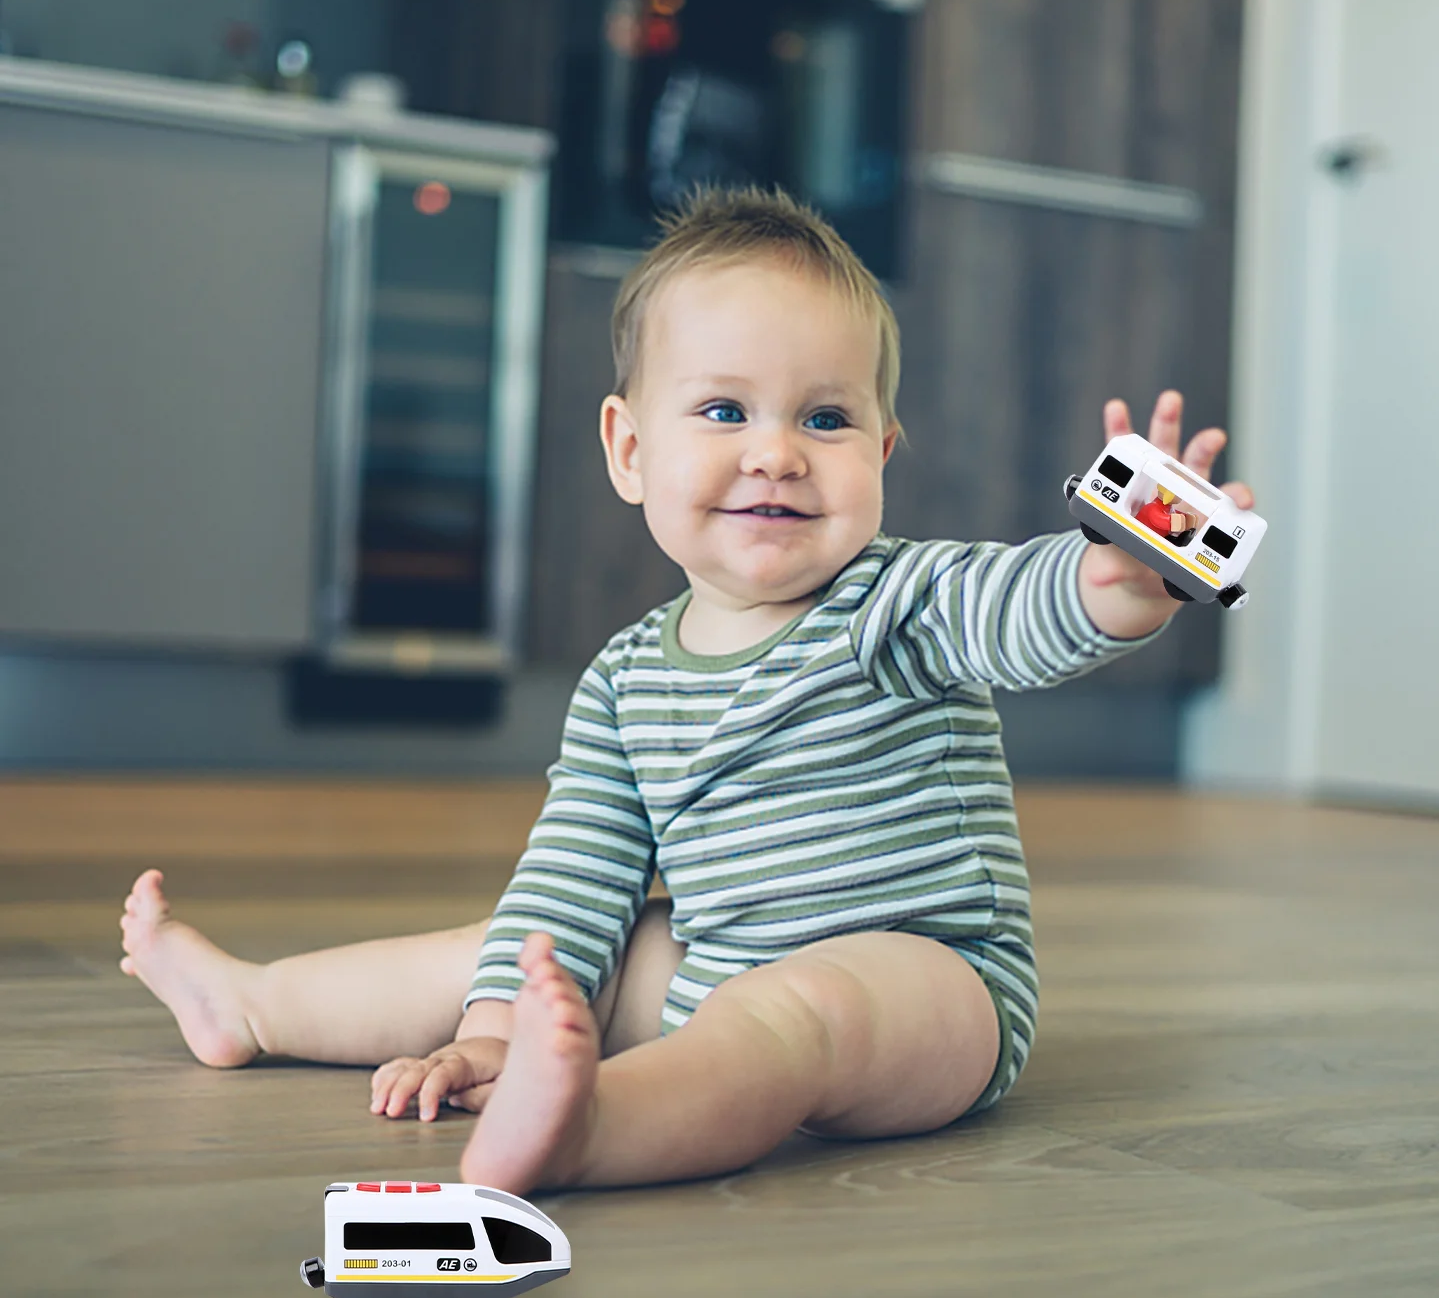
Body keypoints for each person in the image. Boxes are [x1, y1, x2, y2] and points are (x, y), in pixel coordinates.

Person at [119, 186, 1254, 1194]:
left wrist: (1114, 579)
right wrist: (497, 1029)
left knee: (794, 1014)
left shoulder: (898, 599)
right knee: (519, 945)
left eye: (825, 417)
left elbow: (1019, 609)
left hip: (928, 983)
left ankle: (592, 1130)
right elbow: (576, 871)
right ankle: (254, 1005)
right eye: (724, 412)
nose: (776, 452)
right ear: (628, 450)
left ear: (883, 455)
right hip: (720, 955)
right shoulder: (623, 680)